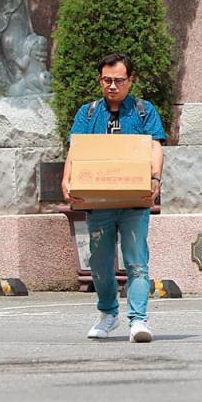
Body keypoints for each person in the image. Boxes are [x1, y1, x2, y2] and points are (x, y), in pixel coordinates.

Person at [60, 53, 166, 343]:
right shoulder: (89, 113)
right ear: (100, 80)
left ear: (130, 81)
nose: (112, 86)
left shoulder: (144, 111)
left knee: (136, 262)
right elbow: (77, 149)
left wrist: (155, 178)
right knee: (99, 263)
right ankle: (108, 314)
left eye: (119, 80)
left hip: (134, 203)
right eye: (107, 80)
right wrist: (67, 178)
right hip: (99, 203)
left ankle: (138, 320)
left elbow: (156, 146)